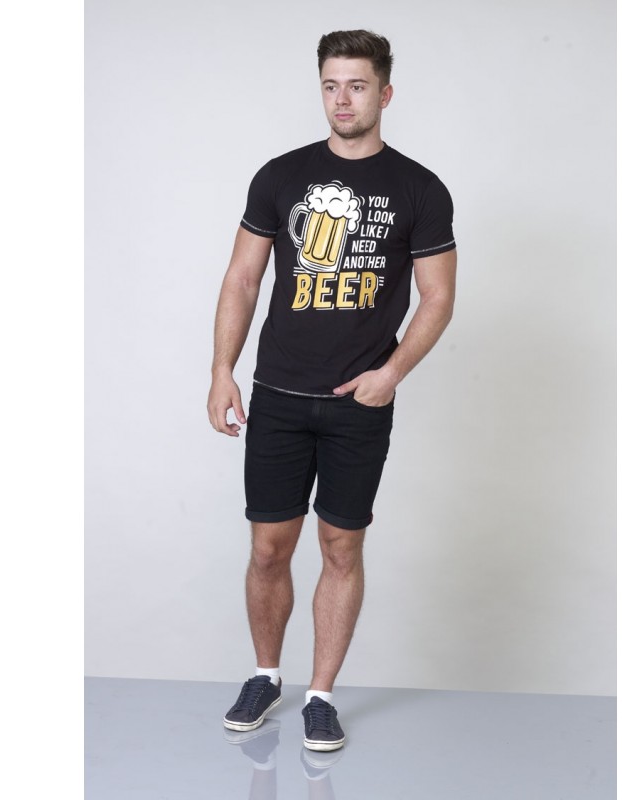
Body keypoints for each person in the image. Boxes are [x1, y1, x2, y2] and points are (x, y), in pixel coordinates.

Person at [207, 29, 457, 752]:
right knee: (268, 549)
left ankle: (320, 696)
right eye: (330, 85)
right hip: (279, 394)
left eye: (356, 86)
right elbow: (243, 279)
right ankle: (265, 676)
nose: (342, 100)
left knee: (341, 547)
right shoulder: (280, 176)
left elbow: (438, 297)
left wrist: (391, 373)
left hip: (359, 403)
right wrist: (222, 369)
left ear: (385, 93)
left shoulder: (419, 188)